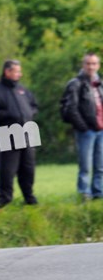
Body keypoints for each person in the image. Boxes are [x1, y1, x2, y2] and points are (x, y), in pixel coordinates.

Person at [0, 60, 39, 208]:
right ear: (7, 72)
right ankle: (4, 200)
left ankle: (29, 197)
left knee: (28, 167)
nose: (20, 74)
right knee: (8, 169)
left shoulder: (22, 89)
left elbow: (34, 106)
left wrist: (30, 113)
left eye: (19, 71)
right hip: (8, 132)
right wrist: (10, 114)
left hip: (28, 130)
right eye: (16, 71)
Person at [61, 52, 103, 200]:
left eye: (94, 63)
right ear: (83, 65)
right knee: (85, 166)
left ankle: (98, 193)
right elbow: (71, 108)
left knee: (100, 166)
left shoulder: (100, 83)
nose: (91, 67)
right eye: (88, 63)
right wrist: (83, 127)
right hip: (86, 131)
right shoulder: (76, 83)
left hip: (101, 130)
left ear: (98, 65)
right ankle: (84, 194)